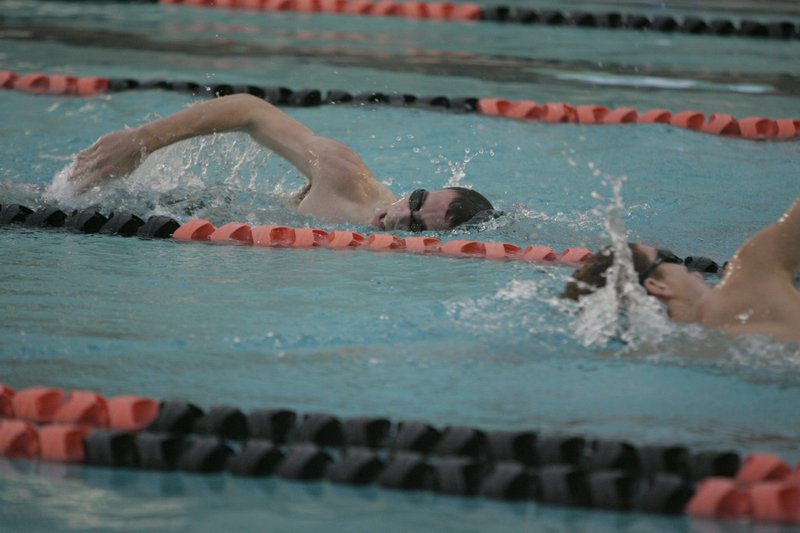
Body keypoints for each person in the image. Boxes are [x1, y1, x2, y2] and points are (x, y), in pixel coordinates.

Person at [66, 93, 495, 232]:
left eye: (417, 226)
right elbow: (251, 111)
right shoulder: (347, 180)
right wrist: (143, 140)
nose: (402, 215)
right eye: (416, 199)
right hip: (170, 210)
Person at [563, 198, 800, 342]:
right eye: (668, 257)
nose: (683, 264)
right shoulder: (749, 274)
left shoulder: (688, 350)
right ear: (657, 285)